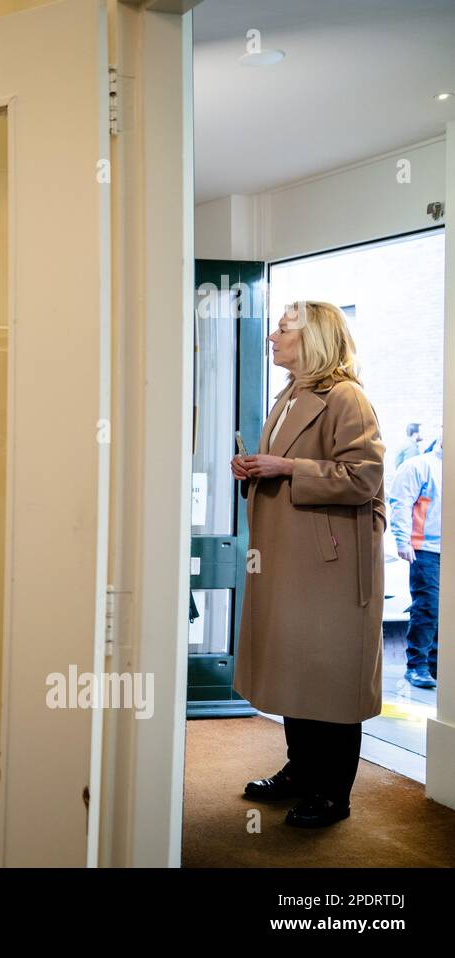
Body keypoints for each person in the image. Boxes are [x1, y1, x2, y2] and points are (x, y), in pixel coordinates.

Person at [230, 300, 385, 829]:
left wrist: (286, 466)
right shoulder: (290, 395)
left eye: (282, 330)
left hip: (332, 565)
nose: (272, 337)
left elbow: (364, 477)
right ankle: (300, 772)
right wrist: (254, 467)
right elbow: (292, 469)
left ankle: (332, 794)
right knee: (298, 668)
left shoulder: (346, 397)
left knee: (331, 678)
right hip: (292, 561)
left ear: (312, 338)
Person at [390, 440, 441, 688]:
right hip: (426, 549)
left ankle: (437, 666)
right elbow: (401, 503)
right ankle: (417, 666)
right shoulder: (419, 466)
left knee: (445, 613)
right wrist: (403, 541)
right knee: (428, 607)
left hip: (447, 550)